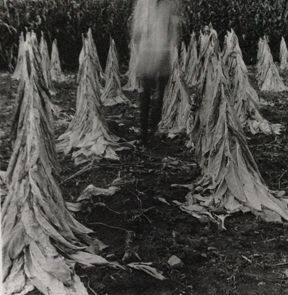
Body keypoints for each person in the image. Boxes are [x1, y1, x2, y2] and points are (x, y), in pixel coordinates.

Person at [131, 0, 179, 146]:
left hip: (162, 52)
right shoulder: (143, 3)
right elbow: (137, 30)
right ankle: (144, 134)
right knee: (145, 94)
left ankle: (152, 129)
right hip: (147, 52)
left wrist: (170, 48)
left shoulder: (169, 4)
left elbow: (173, 29)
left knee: (159, 95)